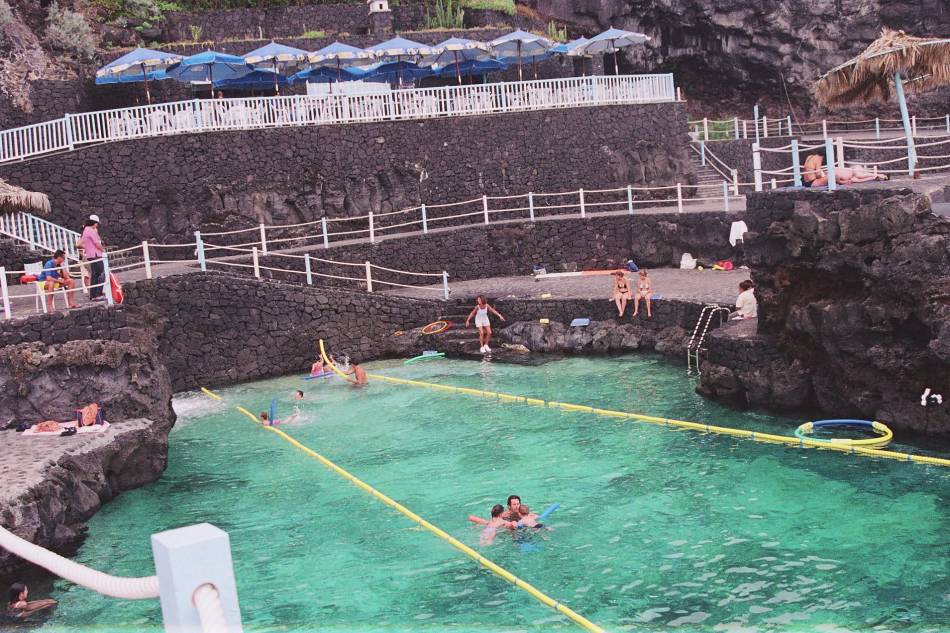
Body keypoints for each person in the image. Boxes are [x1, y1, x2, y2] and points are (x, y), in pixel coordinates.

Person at [80, 215, 105, 300]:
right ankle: (98, 294)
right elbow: (97, 244)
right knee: (101, 274)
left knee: (94, 275)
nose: (97, 225)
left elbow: (80, 244)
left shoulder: (85, 230)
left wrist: (87, 248)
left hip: (90, 255)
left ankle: (93, 295)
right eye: (96, 223)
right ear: (94, 223)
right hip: (96, 255)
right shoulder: (91, 231)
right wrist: (104, 251)